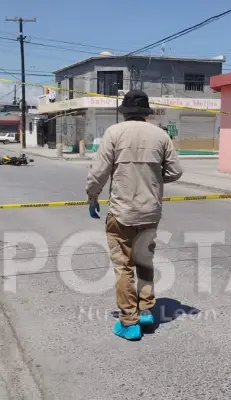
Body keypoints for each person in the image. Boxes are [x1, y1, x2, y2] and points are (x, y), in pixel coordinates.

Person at [85, 90, 183, 341]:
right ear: (146, 113)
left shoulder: (114, 133)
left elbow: (99, 171)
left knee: (124, 267)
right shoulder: (161, 135)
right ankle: (147, 309)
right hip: (150, 213)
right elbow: (175, 171)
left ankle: (129, 321)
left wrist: (92, 195)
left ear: (125, 112)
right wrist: (155, 178)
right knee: (145, 262)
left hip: (122, 212)